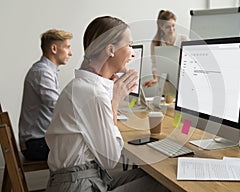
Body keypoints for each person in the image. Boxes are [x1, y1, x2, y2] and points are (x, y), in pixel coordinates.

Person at [45, 16, 169, 192]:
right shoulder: (93, 93)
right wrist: (114, 102)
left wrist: (112, 96)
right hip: (78, 186)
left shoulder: (85, 86)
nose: (133, 53)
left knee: (154, 176)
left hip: (82, 178)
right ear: (110, 49)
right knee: (163, 185)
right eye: (129, 45)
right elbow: (110, 159)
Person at [19, 29, 73, 161]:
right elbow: (58, 107)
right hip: (36, 144)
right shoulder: (42, 73)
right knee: (83, 147)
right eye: (67, 47)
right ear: (54, 49)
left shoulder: (46, 71)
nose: (70, 53)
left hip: (38, 141)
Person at [143, 10, 188, 87]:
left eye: (173, 25)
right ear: (161, 27)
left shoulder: (183, 39)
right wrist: (155, 79)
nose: (171, 29)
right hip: (166, 84)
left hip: (183, 82)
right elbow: (154, 65)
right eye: (168, 27)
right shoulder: (156, 43)